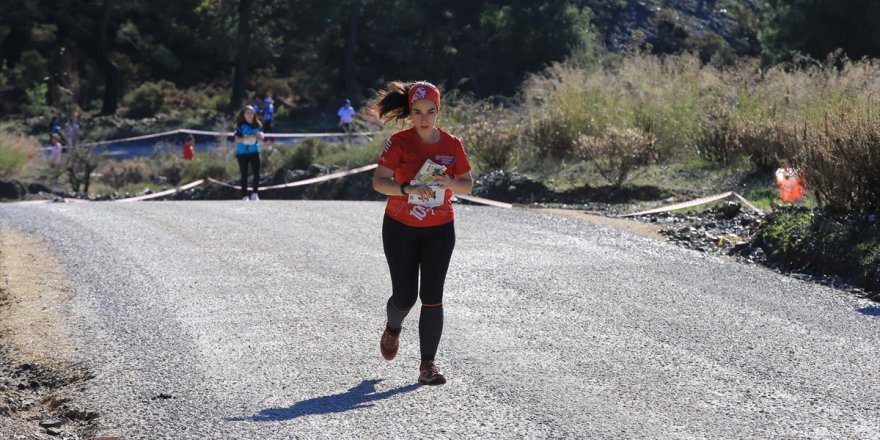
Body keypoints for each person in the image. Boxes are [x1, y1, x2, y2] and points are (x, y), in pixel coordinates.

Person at [371, 81, 473, 385]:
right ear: (410, 113)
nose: (424, 118)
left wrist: (449, 184)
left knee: (432, 297)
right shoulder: (400, 142)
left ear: (438, 110)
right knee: (405, 297)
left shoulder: (452, 144)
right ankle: (393, 327)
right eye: (417, 112)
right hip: (400, 227)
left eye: (430, 111)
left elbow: (466, 183)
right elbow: (379, 182)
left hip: (440, 229)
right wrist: (407, 189)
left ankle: (427, 365)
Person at [233, 105, 264, 201]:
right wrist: (247, 138)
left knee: (256, 173)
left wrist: (260, 136)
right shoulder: (240, 125)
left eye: (251, 113)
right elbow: (236, 139)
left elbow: (261, 137)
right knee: (244, 174)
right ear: (244, 114)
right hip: (242, 153)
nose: (250, 115)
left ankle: (255, 193)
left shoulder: (258, 125)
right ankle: (244, 195)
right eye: (247, 113)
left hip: (254, 151)